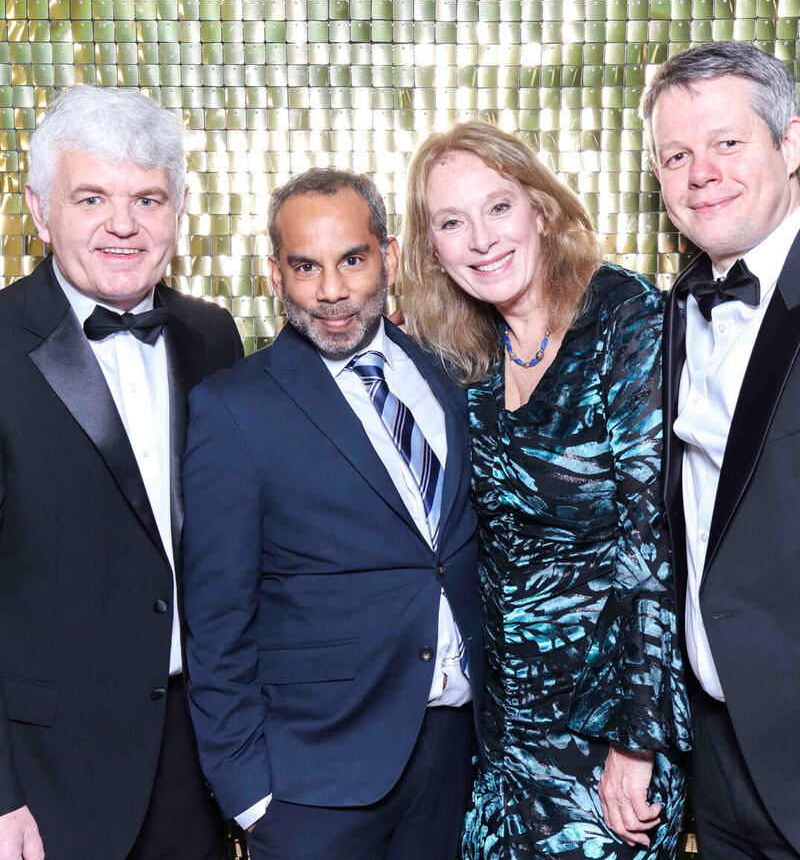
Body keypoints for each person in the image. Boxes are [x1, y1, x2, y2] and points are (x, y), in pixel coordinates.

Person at [401, 120, 690, 860]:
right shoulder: (467, 355)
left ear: (541, 208)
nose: (481, 239)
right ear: (433, 248)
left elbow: (652, 539)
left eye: (499, 207)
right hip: (500, 739)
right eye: (452, 223)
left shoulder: (620, 314)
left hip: (606, 734)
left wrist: (637, 736)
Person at [181, 167, 483, 860]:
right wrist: (249, 796)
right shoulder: (235, 408)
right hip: (312, 785)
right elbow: (217, 617)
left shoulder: (444, 373)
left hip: (450, 757)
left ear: (391, 256)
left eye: (353, 258)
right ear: (274, 276)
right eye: (305, 266)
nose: (332, 291)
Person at [0, 85, 242, 860]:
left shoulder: (212, 336)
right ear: (40, 211)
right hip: (44, 778)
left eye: (148, 198)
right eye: (92, 197)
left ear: (177, 209)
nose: (123, 225)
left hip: (199, 761)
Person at [641, 41, 800, 859]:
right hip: (713, 757)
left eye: (727, 143)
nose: (701, 172)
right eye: (677, 155)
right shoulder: (669, 317)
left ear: (791, 145)